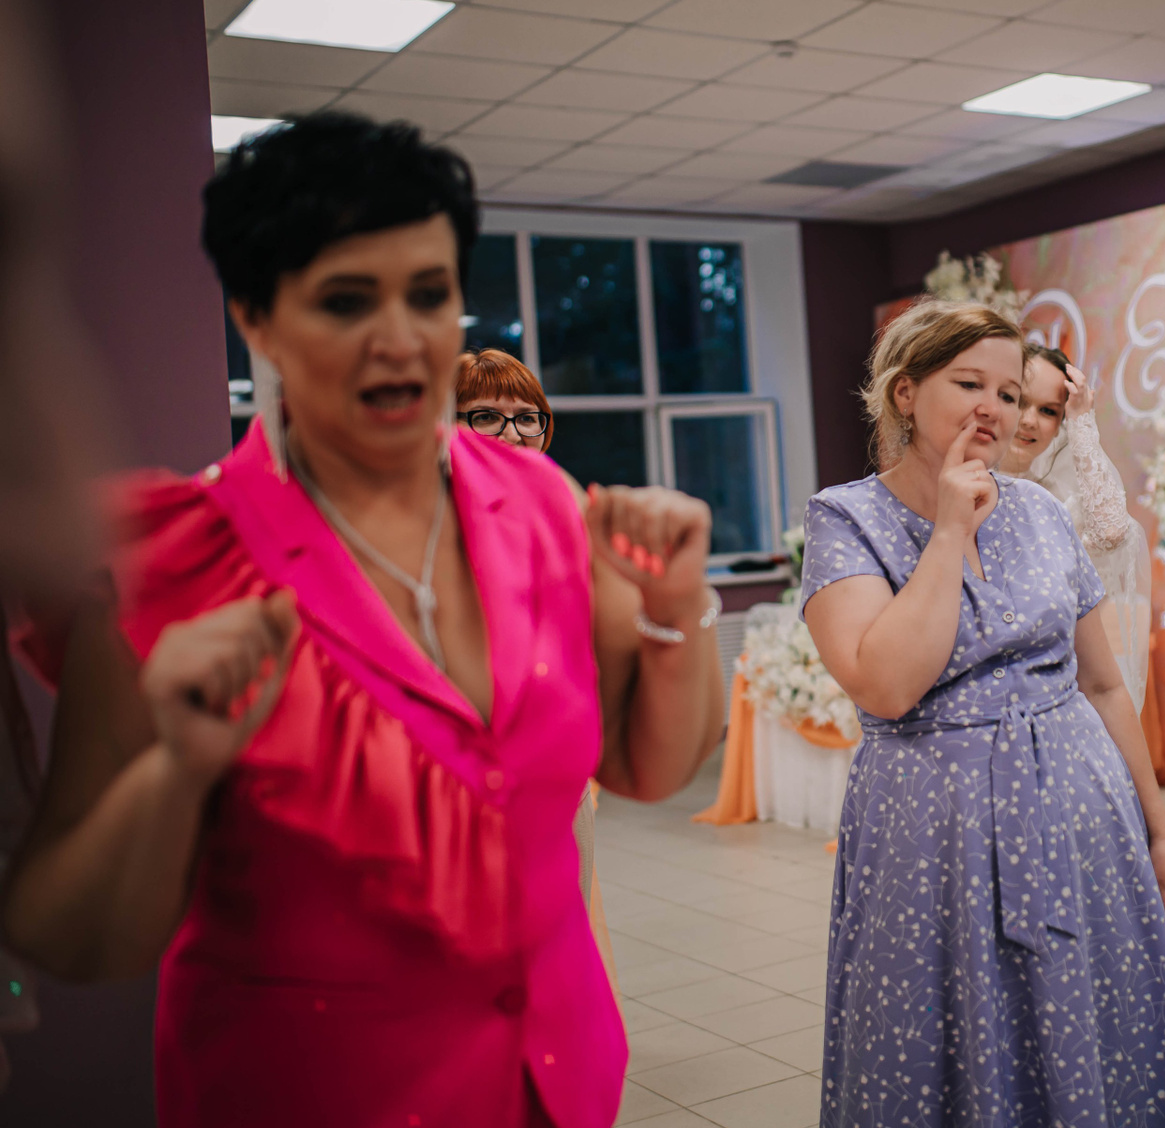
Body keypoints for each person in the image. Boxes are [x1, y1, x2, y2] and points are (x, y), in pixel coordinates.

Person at [0, 113, 727, 1128]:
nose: (400, 339)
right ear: (258, 318)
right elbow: (64, 932)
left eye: (428, 294)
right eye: (346, 301)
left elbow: (648, 768)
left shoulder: (545, 507)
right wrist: (175, 772)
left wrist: (677, 606)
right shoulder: (173, 565)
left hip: (555, 1077)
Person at [799, 298, 1165, 1128]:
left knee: (1094, 1021)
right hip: (934, 844)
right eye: (970, 384)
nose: (998, 409)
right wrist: (949, 530)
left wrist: (1160, 832)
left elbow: (1103, 686)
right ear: (906, 393)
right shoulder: (847, 518)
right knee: (951, 1036)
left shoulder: (1043, 512)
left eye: (1012, 392)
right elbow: (886, 686)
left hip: (1082, 820)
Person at [454, 346, 618, 995]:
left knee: (560, 929)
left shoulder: (562, 513)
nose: (513, 432)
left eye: (527, 418)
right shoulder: (421, 527)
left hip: (553, 762)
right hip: (458, 768)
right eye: (486, 416)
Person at [1000, 346, 1151, 712]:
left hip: (1053, 684)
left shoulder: (1057, 501)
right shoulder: (956, 485)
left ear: (1061, 424)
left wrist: (1082, 420)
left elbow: (1112, 533)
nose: (1029, 420)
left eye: (1048, 411)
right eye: (1019, 402)